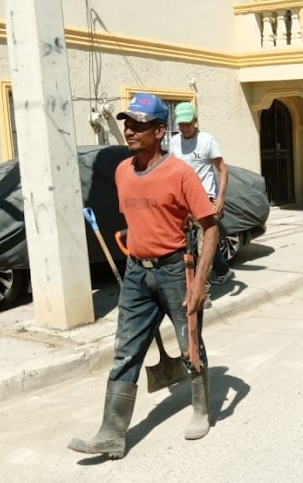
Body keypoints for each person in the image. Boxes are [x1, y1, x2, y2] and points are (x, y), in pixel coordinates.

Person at [68, 93, 218, 459]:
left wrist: (199, 283)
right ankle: (111, 433)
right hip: (136, 273)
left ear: (159, 131)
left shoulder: (180, 174)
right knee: (125, 351)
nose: (129, 130)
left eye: (138, 124)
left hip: (174, 270)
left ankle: (201, 408)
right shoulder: (122, 171)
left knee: (189, 344)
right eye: (127, 123)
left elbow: (211, 228)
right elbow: (136, 218)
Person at [169, 102, 233, 306]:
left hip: (205, 201)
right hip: (182, 203)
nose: (184, 128)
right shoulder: (174, 143)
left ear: (195, 121)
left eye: (187, 124)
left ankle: (203, 292)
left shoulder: (207, 141)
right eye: (181, 124)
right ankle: (222, 269)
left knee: (203, 248)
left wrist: (220, 198)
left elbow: (222, 170)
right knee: (190, 249)